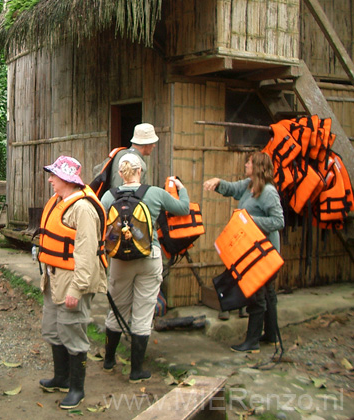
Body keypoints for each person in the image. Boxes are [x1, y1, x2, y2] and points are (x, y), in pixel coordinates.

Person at [101, 153, 190, 382]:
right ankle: (136, 371)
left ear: (120, 174)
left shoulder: (109, 197)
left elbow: (100, 223)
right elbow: (183, 209)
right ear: (140, 170)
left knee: (117, 308)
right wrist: (181, 187)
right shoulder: (155, 194)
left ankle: (109, 360)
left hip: (120, 261)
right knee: (143, 311)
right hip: (150, 257)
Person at [37, 155, 108, 410]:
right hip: (54, 277)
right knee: (54, 328)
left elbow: (87, 254)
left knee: (72, 330)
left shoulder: (83, 208)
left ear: (67, 179)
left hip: (73, 281)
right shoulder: (58, 202)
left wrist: (76, 289)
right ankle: (61, 378)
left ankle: (77, 388)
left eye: (54, 176)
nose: (50, 180)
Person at [204, 151, 285, 353]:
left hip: (264, 253)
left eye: (249, 162)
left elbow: (278, 221)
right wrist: (217, 182)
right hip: (254, 250)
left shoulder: (268, 192)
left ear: (257, 166)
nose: (246, 165)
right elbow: (232, 188)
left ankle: (252, 342)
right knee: (268, 294)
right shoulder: (250, 186)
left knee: (257, 295)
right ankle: (271, 335)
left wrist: (249, 220)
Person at [94, 123, 159, 188]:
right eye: (153, 143)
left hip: (110, 196)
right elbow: (138, 192)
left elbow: (96, 170)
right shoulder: (139, 164)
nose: (154, 145)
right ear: (147, 144)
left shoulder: (118, 153)